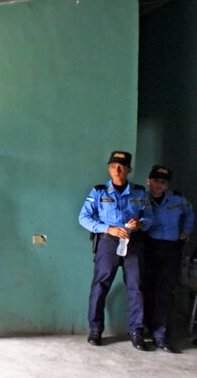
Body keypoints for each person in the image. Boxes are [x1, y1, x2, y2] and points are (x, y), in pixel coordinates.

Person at [78, 150, 153, 351]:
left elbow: (150, 217)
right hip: (108, 243)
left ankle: (136, 331)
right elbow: (84, 218)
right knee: (100, 286)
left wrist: (141, 223)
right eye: (113, 166)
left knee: (136, 288)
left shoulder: (139, 192)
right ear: (109, 169)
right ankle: (95, 330)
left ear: (129, 169)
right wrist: (107, 228)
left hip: (133, 243)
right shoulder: (99, 192)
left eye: (121, 167)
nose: (117, 170)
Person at [142, 165, 194, 352]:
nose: (159, 185)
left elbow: (190, 214)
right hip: (149, 248)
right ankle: (148, 327)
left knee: (165, 292)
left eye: (163, 182)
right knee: (146, 290)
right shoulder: (142, 199)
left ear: (167, 185)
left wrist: (185, 232)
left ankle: (161, 335)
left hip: (171, 249)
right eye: (156, 181)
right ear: (149, 181)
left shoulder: (177, 200)